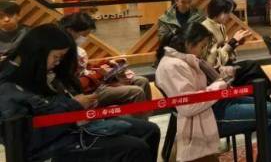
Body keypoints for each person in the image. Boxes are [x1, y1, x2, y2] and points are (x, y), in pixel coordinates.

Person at [0, 24, 160, 161]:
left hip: (70, 128)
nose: (58, 62)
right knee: (135, 147)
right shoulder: (10, 84)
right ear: (38, 52)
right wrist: (74, 105)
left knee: (149, 130)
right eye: (56, 57)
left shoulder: (41, 72)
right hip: (52, 145)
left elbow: (52, 104)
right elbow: (27, 135)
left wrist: (79, 105)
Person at [156, 22, 271, 161]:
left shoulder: (181, 59)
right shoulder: (172, 66)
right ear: (189, 43)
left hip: (212, 106)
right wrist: (219, 84)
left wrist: (222, 76)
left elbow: (200, 84)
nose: (202, 51)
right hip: (205, 116)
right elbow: (188, 105)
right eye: (202, 46)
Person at [60, 12, 152, 107]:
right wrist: (99, 75)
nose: (85, 39)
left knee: (142, 81)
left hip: (95, 84)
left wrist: (106, 64)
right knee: (136, 92)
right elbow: (73, 84)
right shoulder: (63, 53)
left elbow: (84, 69)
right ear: (70, 30)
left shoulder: (74, 49)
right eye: (84, 35)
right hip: (88, 91)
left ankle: (145, 113)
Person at [201, 0, 253, 69]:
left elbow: (226, 49)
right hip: (215, 71)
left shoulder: (221, 26)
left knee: (251, 65)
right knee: (252, 66)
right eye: (228, 13)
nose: (229, 16)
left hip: (224, 66)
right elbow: (212, 61)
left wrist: (236, 43)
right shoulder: (205, 29)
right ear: (219, 11)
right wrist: (232, 41)